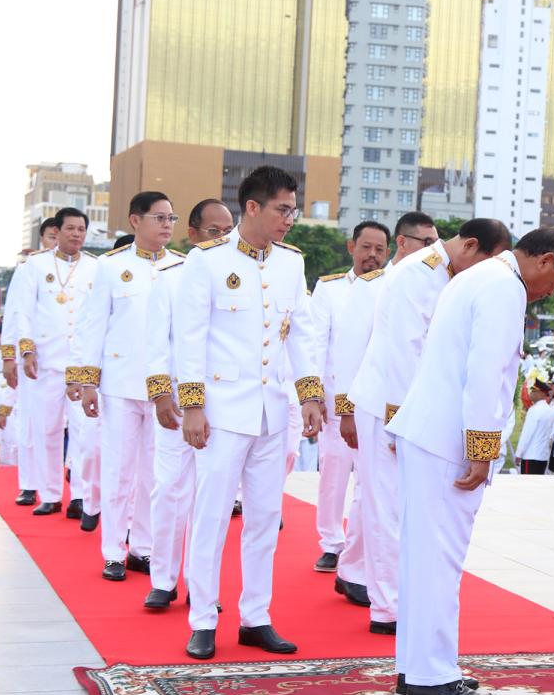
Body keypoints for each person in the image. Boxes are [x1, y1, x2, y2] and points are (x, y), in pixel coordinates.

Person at [391, 226, 554, 695]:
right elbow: (485, 373)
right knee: (439, 559)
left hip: (429, 433)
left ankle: (415, 667)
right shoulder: (503, 287)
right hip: (447, 440)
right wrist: (482, 447)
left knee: (421, 557)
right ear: (544, 260)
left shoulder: (479, 277)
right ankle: (432, 675)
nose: (552, 290)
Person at [175, 165, 323, 660]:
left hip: (271, 411)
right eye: (282, 209)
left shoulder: (291, 263)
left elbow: (300, 332)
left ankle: (255, 616)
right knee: (212, 516)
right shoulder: (206, 260)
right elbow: (189, 338)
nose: (290, 219)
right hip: (220, 411)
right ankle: (202, 619)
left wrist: (309, 395)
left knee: (264, 518)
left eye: (293, 210)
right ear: (253, 207)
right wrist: (192, 406)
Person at [347, 216, 512, 637]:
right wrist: (399, 425)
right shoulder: (417, 274)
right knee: (386, 508)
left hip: (412, 412)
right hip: (387, 406)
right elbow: (405, 353)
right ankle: (388, 609)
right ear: (470, 246)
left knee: (402, 508)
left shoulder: (451, 276)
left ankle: (391, 593)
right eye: (486, 262)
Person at [315, 211, 438, 612]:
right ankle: (367, 581)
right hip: (369, 407)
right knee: (375, 494)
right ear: (404, 243)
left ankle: (353, 570)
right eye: (426, 243)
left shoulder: (431, 284)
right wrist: (346, 412)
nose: (433, 251)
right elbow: (349, 352)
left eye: (436, 244)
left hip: (406, 410)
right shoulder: (373, 286)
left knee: (374, 494)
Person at [72, 191, 183, 582]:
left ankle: (143, 548)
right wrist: (88, 381)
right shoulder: (110, 266)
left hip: (164, 390)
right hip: (120, 382)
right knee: (119, 470)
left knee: (155, 475)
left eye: (171, 218)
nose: (167, 225)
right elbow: (93, 324)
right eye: (159, 217)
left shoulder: (182, 267)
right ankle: (113, 551)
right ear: (136, 220)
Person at [142, 199, 233, 610]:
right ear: (193, 235)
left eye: (228, 232)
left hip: (225, 403)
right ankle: (163, 579)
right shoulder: (171, 278)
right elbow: (156, 341)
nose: (222, 239)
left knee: (211, 499)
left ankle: (202, 585)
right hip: (179, 400)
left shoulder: (242, 275)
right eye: (214, 232)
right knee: (169, 488)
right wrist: (161, 392)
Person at [302, 219, 393, 575]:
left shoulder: (393, 288)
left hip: (379, 402)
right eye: (366, 247)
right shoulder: (331, 289)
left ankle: (364, 545)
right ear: (351, 247)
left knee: (373, 479)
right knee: (335, 471)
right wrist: (313, 396)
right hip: (336, 399)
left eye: (380, 249)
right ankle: (331, 542)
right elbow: (315, 343)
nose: (372, 255)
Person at [2, 207, 100, 515]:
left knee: (85, 432)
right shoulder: (35, 265)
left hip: (82, 365)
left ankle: (80, 495)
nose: (76, 234)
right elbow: (21, 310)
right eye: (70, 228)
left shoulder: (97, 267)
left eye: (81, 229)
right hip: (45, 361)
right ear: (57, 232)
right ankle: (50, 493)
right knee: (47, 430)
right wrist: (24, 350)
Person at [515, 380, 554, 474]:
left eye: (534, 391)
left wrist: (519, 453)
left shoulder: (534, 410)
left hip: (530, 456)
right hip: (543, 457)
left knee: (527, 483)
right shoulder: (549, 409)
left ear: (542, 393)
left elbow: (527, 434)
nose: (531, 393)